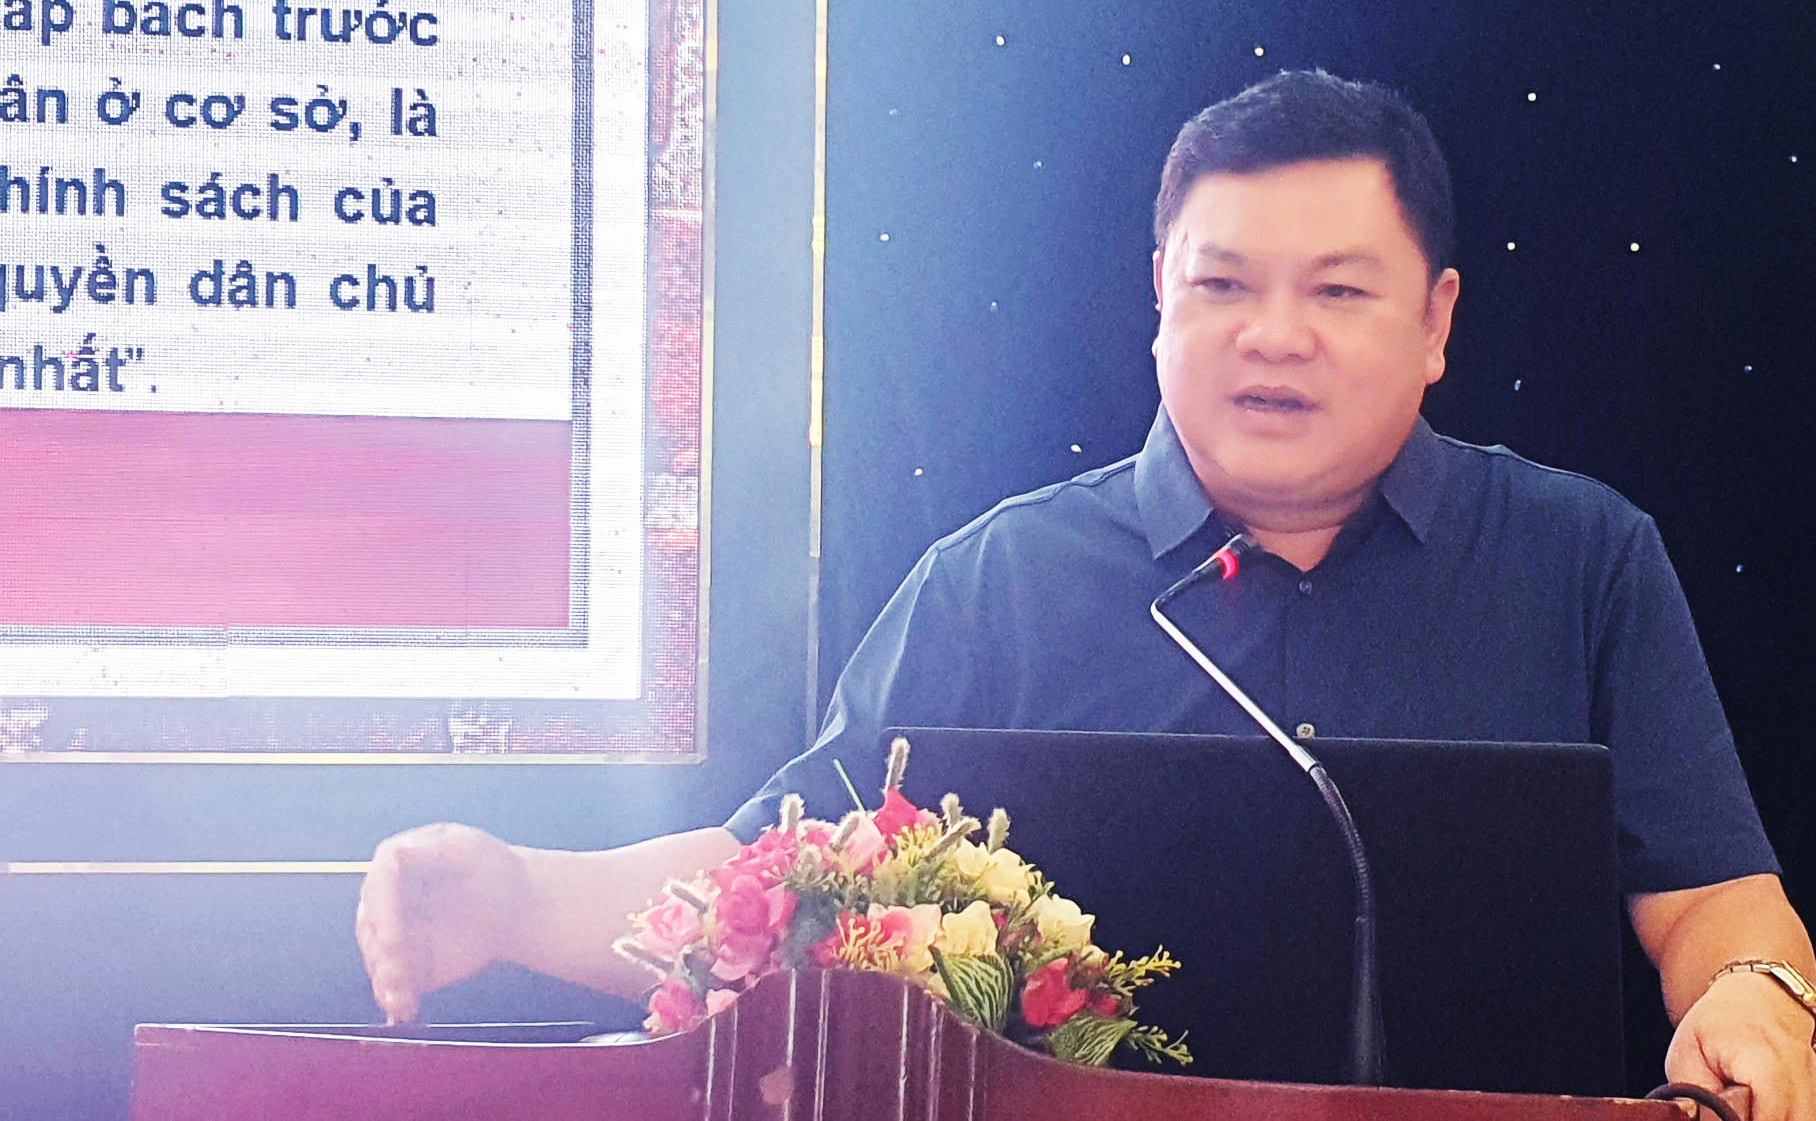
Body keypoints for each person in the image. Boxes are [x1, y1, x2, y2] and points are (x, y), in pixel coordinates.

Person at [358, 70, 1816, 1118]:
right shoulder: (1000, 584)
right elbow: (765, 886)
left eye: (1339, 291)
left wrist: (1757, 993)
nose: (1274, 336)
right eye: (1222, 286)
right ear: (1158, 299)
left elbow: (1714, 899)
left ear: (1437, 321)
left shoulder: (1581, 559)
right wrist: (519, 895)